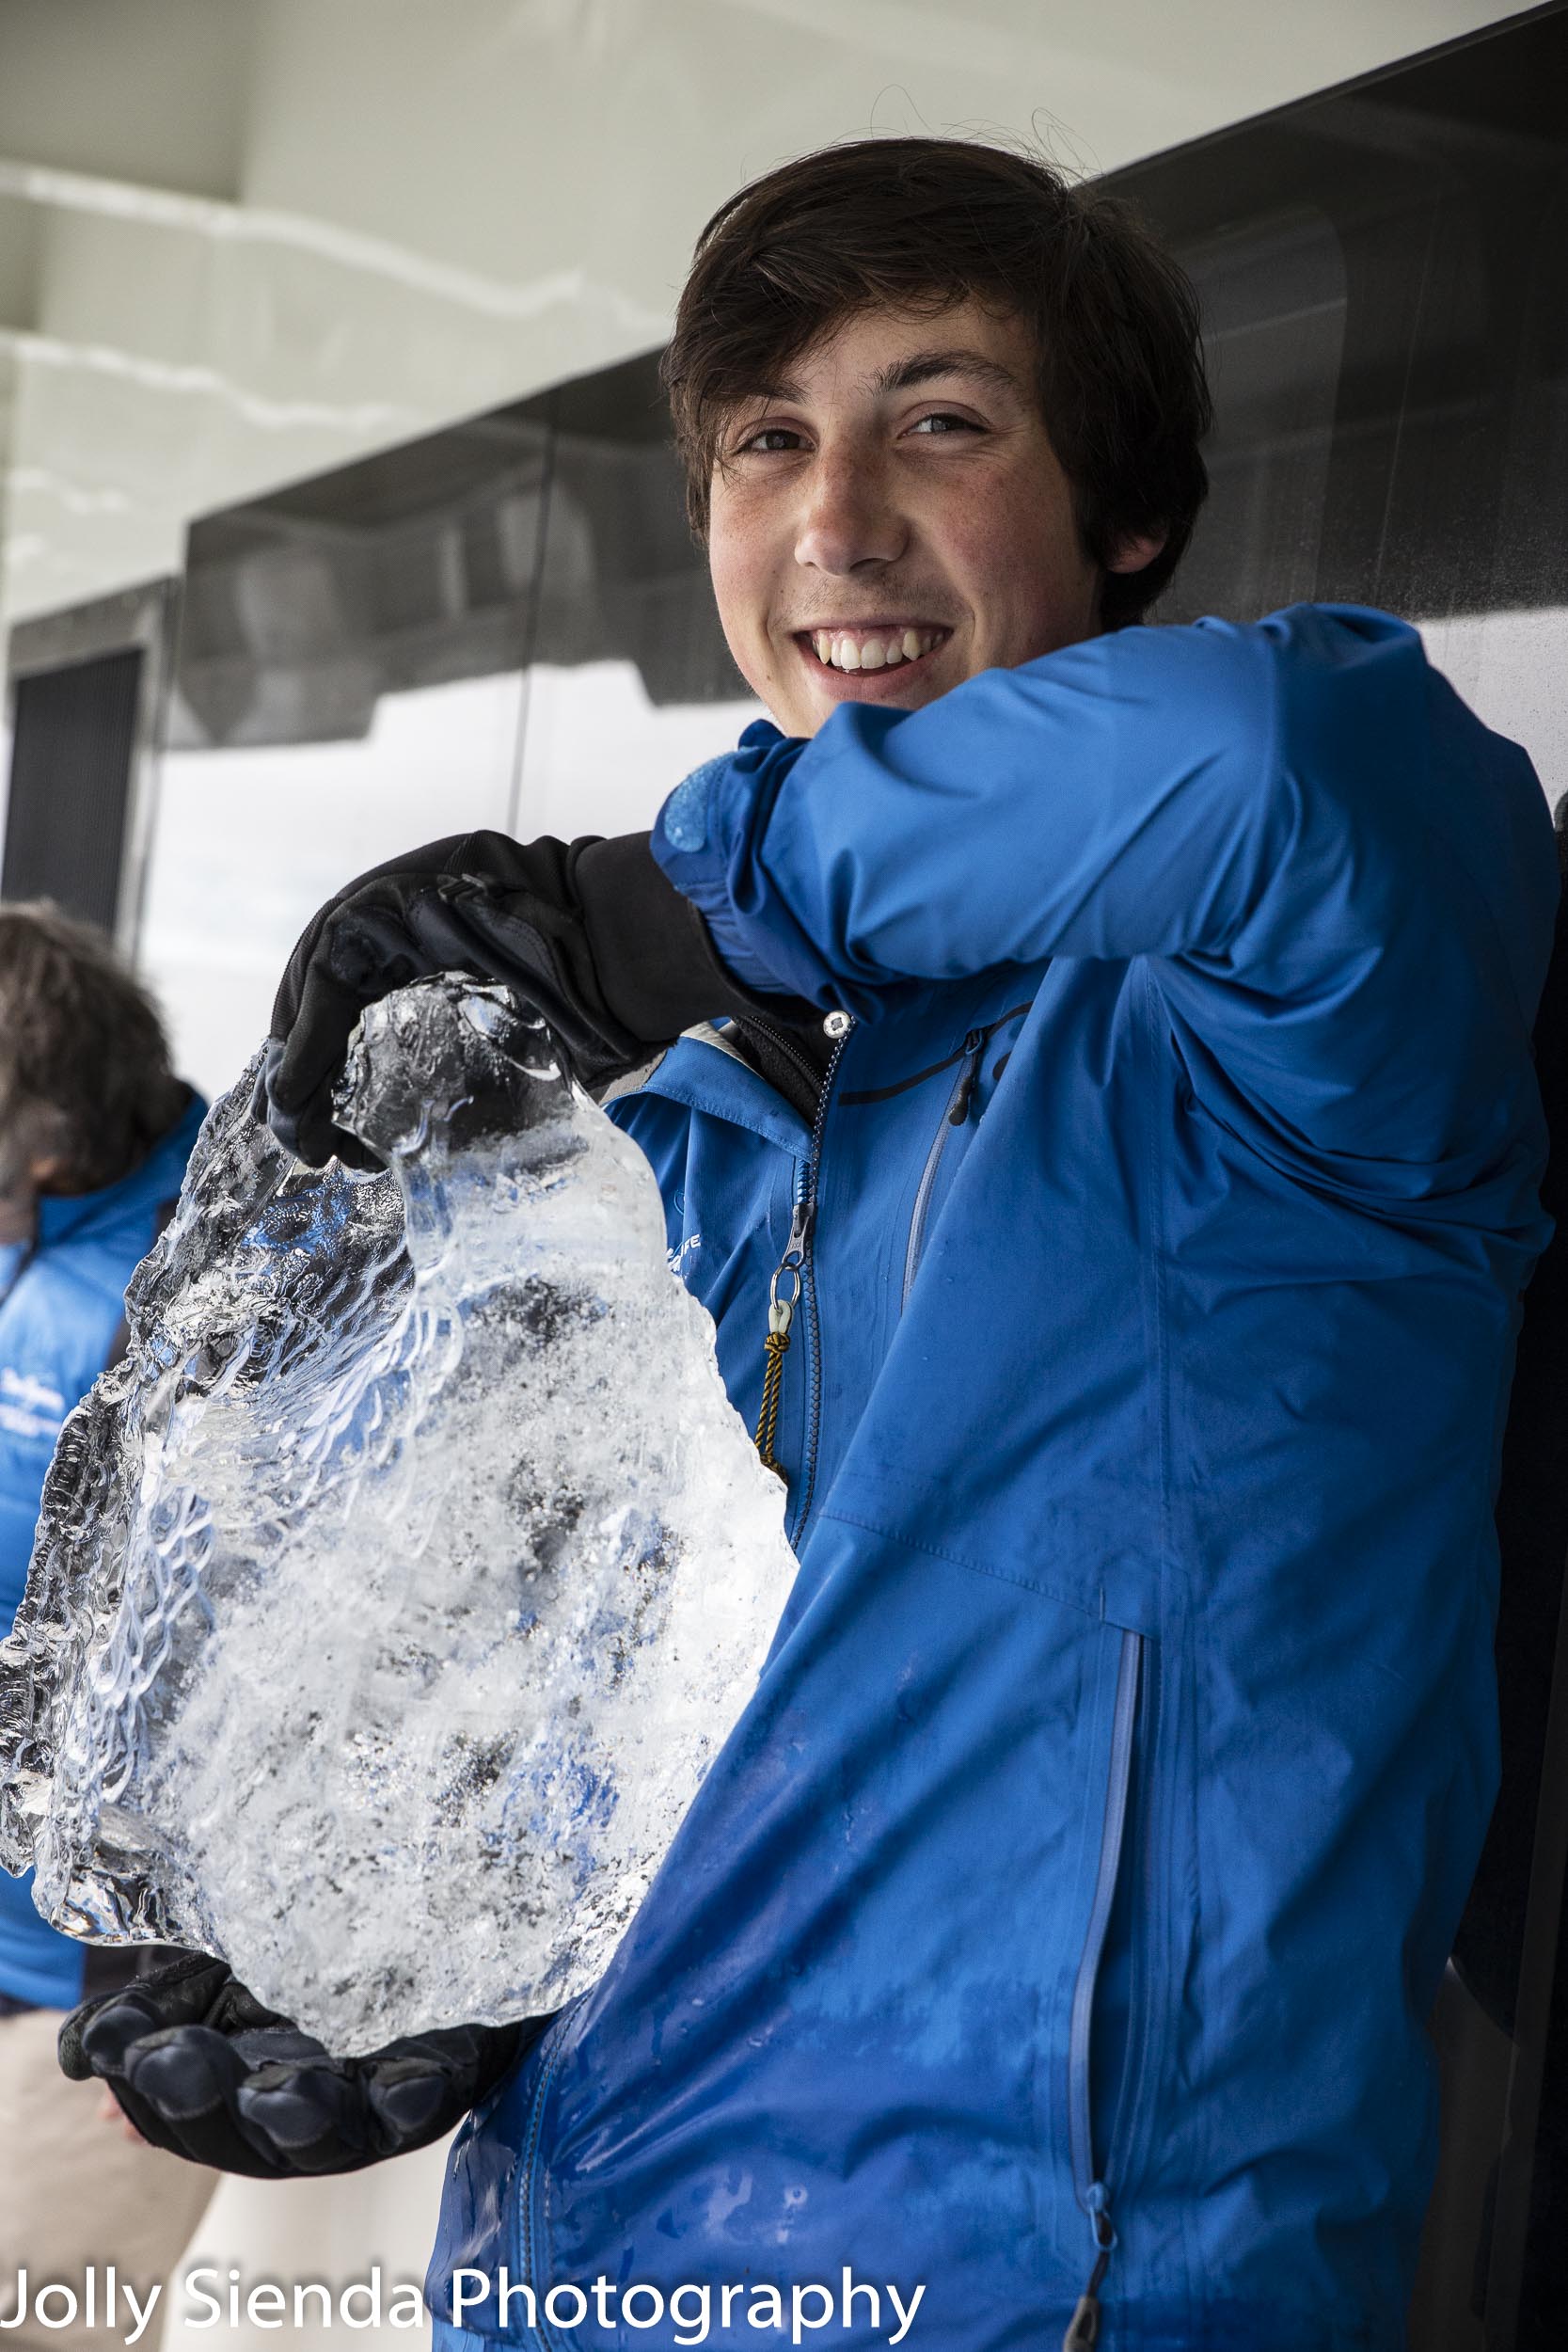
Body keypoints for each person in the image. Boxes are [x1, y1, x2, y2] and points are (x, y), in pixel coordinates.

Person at [61, 140, 1558, 2351]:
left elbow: (1273, 757)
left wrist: (661, 901)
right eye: (769, 440)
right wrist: (291, 1901)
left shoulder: (1288, 1029)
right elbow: (556, 1657)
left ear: (1129, 515)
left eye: (940, 421)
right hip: (563, 2267)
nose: (835, 522)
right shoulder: (669, 1107)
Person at [0, 902, 214, 2348]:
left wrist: (173, 2015)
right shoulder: (22, 1235)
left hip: (77, 2025)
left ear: (53, 1135)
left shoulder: (217, 1294)